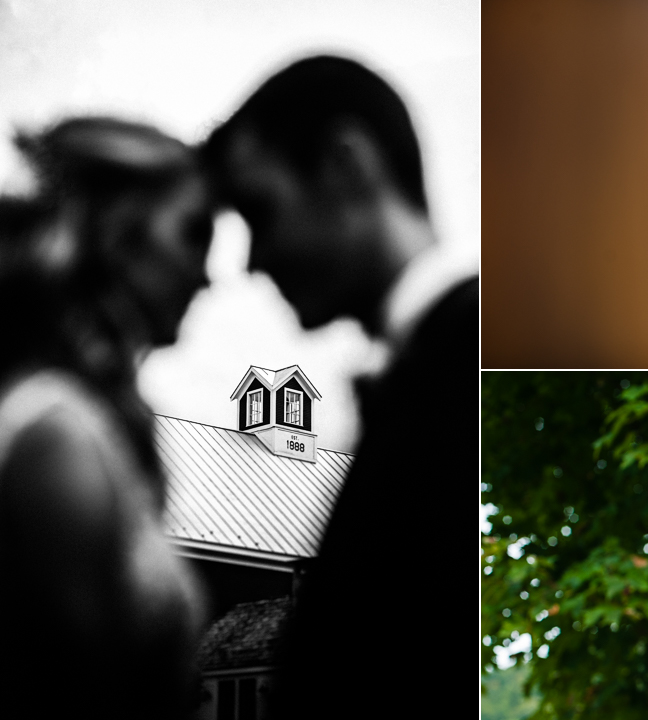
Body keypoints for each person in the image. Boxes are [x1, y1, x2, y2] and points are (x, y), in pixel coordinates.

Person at [201, 56, 477, 717]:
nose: (251, 259)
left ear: (347, 164)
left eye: (260, 210)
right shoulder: (429, 367)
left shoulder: (467, 364)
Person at [0, 117, 211, 716]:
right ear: (121, 234)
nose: (206, 273)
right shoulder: (56, 435)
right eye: (193, 233)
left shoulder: (82, 419)